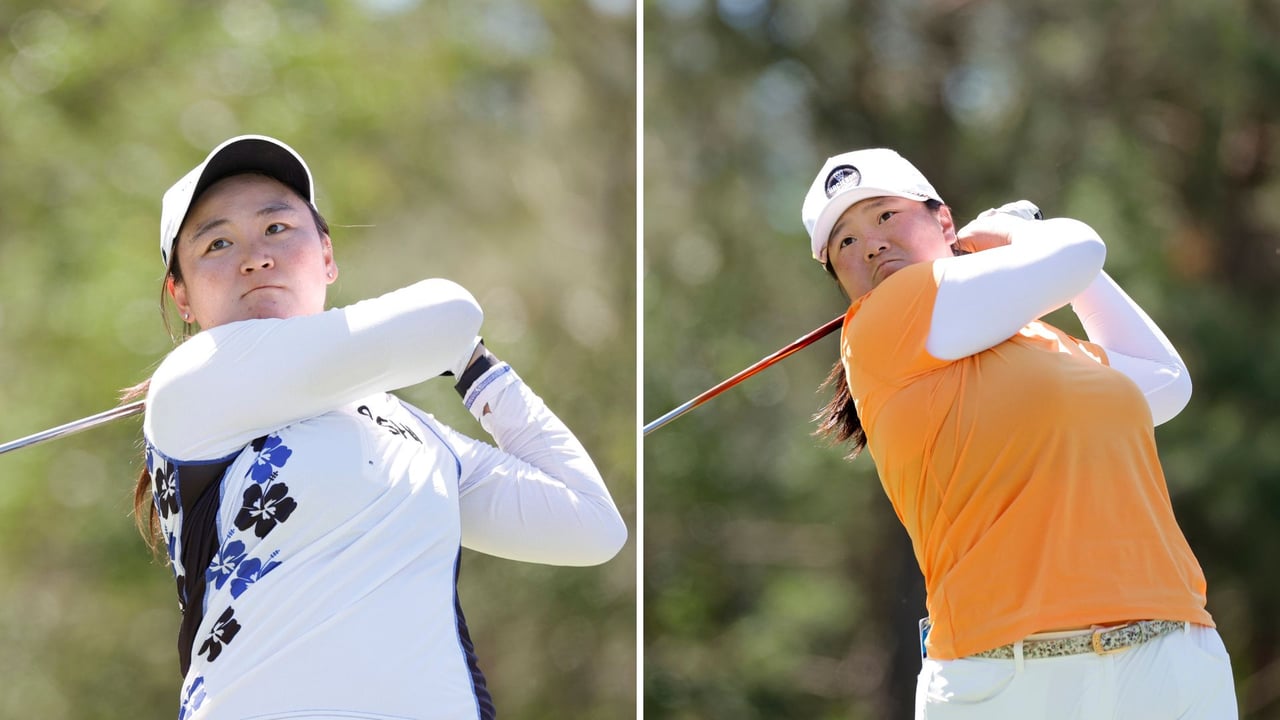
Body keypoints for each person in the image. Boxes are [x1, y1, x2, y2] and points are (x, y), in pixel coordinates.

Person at [131, 134, 627, 719]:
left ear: (326, 255)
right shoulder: (191, 383)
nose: (254, 257)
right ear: (180, 295)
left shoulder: (409, 428)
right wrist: (451, 341)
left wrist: (476, 369)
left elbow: (589, 524)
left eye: (277, 229)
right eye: (217, 242)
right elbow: (448, 311)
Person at [800, 148, 1236, 718]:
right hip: (1012, 677)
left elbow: (1164, 382)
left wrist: (1052, 264)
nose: (872, 244)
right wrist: (1011, 232)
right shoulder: (882, 320)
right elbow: (1079, 249)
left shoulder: (1037, 341)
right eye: (846, 243)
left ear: (943, 220)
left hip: (1170, 656)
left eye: (884, 215)